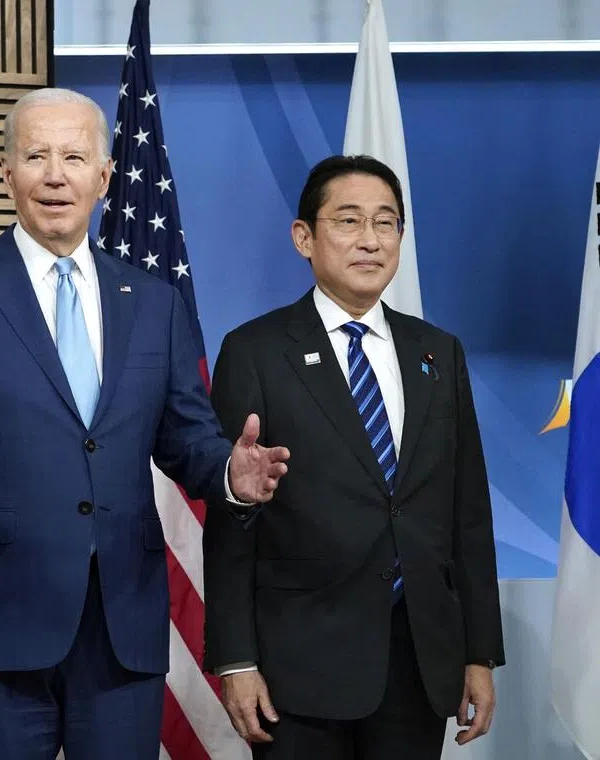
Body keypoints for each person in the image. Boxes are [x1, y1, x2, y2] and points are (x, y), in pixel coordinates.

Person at [0, 87, 290, 760]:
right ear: (7, 173)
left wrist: (228, 474)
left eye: (74, 156)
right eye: (36, 156)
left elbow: (185, 437)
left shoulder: (154, 303)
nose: (55, 174)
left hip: (121, 623)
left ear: (104, 176)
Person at [203, 155, 504, 760]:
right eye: (348, 220)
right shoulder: (256, 350)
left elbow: (467, 513)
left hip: (419, 660)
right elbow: (232, 521)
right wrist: (236, 658)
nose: (370, 239)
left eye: (386, 223)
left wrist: (479, 652)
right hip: (298, 667)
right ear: (304, 237)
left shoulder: (438, 353)